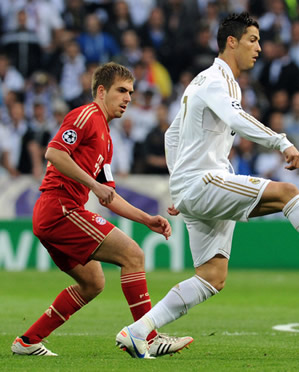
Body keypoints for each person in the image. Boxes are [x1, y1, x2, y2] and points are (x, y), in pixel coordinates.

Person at [116, 13, 299, 359]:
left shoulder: (203, 83)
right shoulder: (215, 80)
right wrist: (282, 142)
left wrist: (179, 185)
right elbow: (235, 118)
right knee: (287, 193)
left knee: (212, 277)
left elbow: (171, 135)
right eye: (252, 40)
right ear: (231, 42)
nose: (259, 48)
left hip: (195, 184)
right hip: (203, 181)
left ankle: (138, 331)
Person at [11, 62, 192, 357]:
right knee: (133, 254)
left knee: (93, 283)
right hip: (61, 209)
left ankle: (27, 342)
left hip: (56, 214)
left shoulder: (106, 140)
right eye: (121, 90)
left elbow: (109, 195)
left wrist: (147, 219)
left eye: (130, 93)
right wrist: (92, 185)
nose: (128, 98)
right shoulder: (85, 115)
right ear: (101, 90)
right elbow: (54, 153)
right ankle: (149, 336)